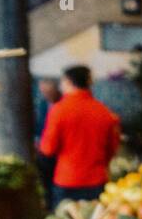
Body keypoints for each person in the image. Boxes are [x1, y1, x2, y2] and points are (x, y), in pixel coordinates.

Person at [39, 65, 121, 206]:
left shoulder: (59, 110)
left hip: (67, 180)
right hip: (97, 180)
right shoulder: (105, 112)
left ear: (68, 82)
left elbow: (48, 149)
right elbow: (112, 149)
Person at [33, 78, 61, 194]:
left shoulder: (63, 106)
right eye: (43, 91)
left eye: (48, 91)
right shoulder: (42, 104)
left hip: (58, 151)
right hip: (44, 150)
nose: (45, 93)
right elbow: (38, 125)